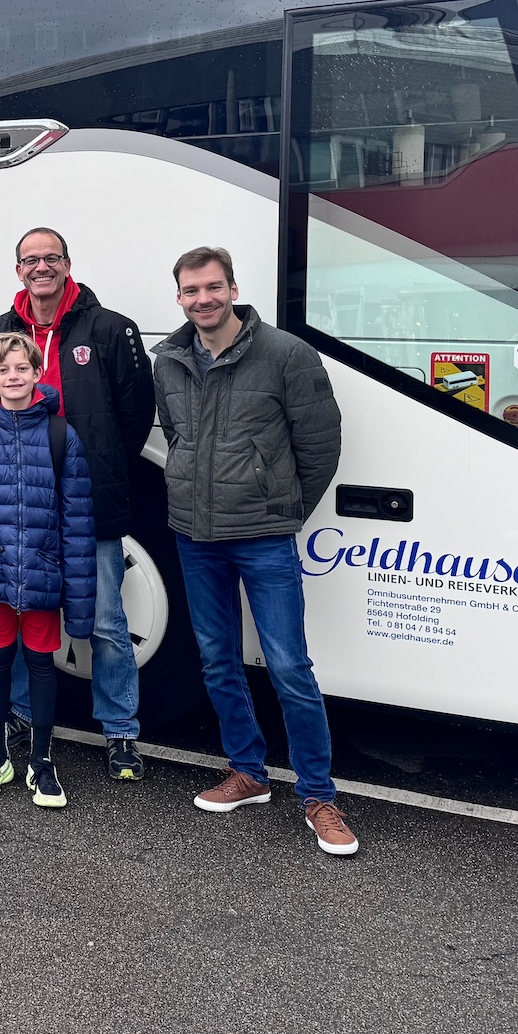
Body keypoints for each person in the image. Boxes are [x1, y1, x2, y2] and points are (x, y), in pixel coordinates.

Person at [152, 245, 356, 856]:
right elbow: (177, 436)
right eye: (191, 291)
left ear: (234, 289)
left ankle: (318, 796)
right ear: (179, 297)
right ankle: (248, 772)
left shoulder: (286, 355)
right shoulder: (169, 360)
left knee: (289, 667)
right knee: (217, 660)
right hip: (195, 535)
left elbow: (320, 446)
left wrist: (281, 510)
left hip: (264, 538)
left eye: (213, 287)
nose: (203, 299)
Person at [0, 226, 155, 781]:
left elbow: (135, 416)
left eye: (51, 258)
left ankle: (120, 729)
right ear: (18, 270)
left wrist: (97, 465)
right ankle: (19, 713)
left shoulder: (108, 328)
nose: (41, 267)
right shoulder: (3, 329)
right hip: (23, 502)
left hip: (89, 501)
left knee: (105, 620)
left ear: (67, 264)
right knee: (21, 612)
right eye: (30, 260)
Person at [0, 333, 96, 808]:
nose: (13, 377)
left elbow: (77, 522)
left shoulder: (60, 435)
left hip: (41, 575)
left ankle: (41, 758)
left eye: (21, 368)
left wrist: (80, 603)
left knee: (40, 664)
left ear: (37, 373)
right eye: (3, 370)